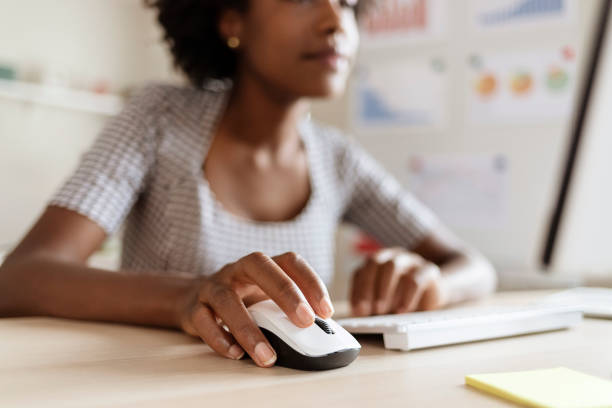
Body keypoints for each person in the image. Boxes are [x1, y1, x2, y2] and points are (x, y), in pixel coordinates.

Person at [0, 0, 496, 368]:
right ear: (232, 20)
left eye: (347, 2)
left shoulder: (338, 158)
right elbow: (20, 278)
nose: (334, 22)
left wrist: (432, 283)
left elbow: (475, 267)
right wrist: (186, 296)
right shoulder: (159, 119)